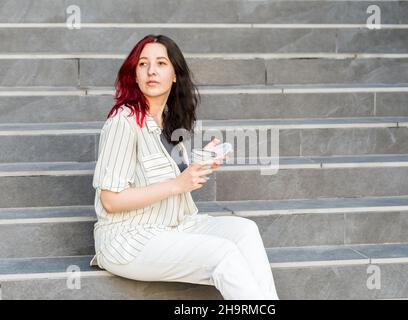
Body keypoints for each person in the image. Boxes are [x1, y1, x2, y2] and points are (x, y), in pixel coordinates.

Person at [90, 34, 279, 300]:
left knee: (245, 231)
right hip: (129, 238)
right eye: (143, 64)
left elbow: (165, 172)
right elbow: (110, 200)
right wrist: (177, 185)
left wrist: (202, 161)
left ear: (175, 74)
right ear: (134, 74)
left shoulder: (166, 120)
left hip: (175, 226)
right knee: (223, 254)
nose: (151, 70)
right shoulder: (124, 122)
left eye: (161, 63)